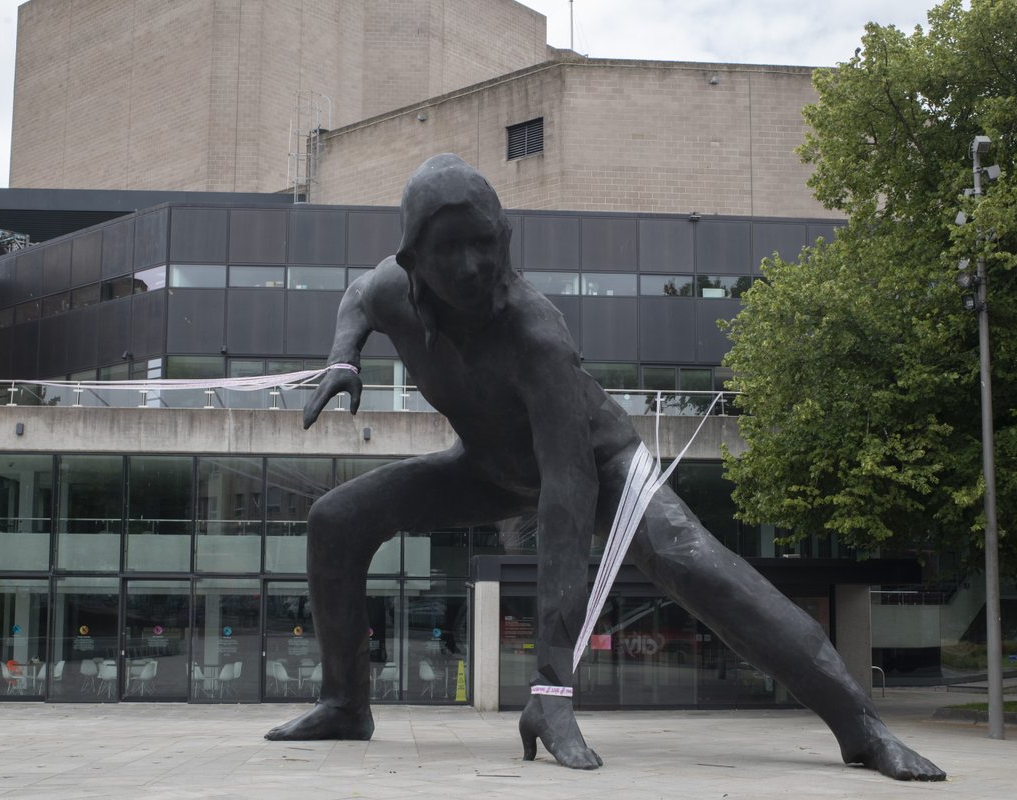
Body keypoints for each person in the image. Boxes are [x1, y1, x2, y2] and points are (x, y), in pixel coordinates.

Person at [265, 154, 945, 781]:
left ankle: (861, 728)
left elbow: (566, 499)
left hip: (604, 466)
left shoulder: (536, 336)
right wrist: (344, 358)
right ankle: (345, 705)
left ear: (505, 238)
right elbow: (356, 295)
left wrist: (551, 690)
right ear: (413, 257)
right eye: (449, 249)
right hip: (489, 466)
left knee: (699, 568)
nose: (473, 265)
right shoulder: (392, 291)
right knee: (336, 520)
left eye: (486, 242)